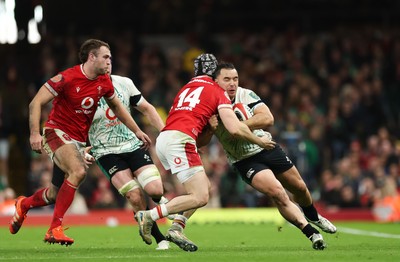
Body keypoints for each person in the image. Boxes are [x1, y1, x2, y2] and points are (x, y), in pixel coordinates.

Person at [9, 39, 151, 246]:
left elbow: (119, 108)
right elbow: (35, 102)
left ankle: (24, 204)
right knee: (78, 172)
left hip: (76, 140)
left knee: (54, 195)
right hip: (56, 131)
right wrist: (34, 134)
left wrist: (137, 130)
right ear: (92, 57)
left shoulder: (104, 81)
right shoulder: (67, 78)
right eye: (105, 56)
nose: (109, 60)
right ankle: (54, 228)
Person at [134, 53, 275, 252]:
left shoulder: (186, 88)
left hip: (166, 137)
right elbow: (234, 128)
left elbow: (197, 125)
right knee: (201, 196)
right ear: (215, 73)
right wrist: (259, 140)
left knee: (205, 187)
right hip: (181, 140)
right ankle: (149, 216)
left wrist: (205, 130)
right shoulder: (217, 91)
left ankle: (177, 227)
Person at [198, 62, 337, 250]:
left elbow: (268, 118)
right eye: (227, 79)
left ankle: (313, 216)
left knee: (300, 188)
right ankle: (312, 234)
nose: (232, 83)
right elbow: (202, 142)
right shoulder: (208, 103)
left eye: (235, 79)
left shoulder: (245, 94)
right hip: (244, 160)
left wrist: (239, 127)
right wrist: (210, 129)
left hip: (267, 147)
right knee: (278, 193)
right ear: (216, 82)